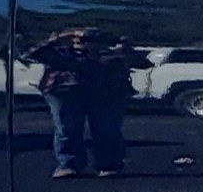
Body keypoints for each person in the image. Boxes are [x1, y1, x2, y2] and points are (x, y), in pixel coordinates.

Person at [29, 25, 141, 178]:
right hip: (65, 92)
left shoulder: (111, 53)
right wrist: (55, 41)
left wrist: (124, 48)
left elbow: (141, 62)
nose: (86, 43)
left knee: (106, 129)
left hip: (106, 92)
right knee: (67, 128)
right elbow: (33, 53)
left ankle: (109, 164)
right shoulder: (59, 51)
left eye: (93, 39)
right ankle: (69, 164)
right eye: (82, 39)